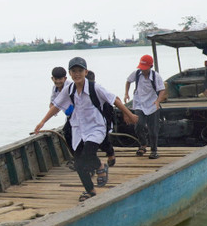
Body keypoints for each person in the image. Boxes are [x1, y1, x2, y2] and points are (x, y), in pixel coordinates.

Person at [35, 57, 138, 201]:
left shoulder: (95, 87)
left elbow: (114, 100)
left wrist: (130, 114)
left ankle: (100, 166)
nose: (77, 74)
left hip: (96, 128)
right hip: (79, 129)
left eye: (80, 71)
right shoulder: (69, 89)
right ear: (70, 73)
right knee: (78, 164)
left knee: (87, 156)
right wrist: (42, 122)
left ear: (86, 72)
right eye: (74, 71)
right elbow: (56, 106)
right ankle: (90, 190)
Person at [124, 54, 166, 159]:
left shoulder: (156, 76)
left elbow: (162, 90)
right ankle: (143, 144)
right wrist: (126, 93)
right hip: (139, 103)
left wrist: (158, 101)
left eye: (145, 68)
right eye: (141, 68)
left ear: (150, 67)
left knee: (153, 129)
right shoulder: (137, 74)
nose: (143, 70)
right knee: (138, 125)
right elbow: (128, 81)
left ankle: (154, 150)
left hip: (152, 104)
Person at [85, 70, 117, 167]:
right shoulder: (79, 91)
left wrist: (128, 114)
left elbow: (115, 101)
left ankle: (110, 154)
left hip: (100, 122)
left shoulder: (98, 90)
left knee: (103, 141)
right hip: (87, 122)